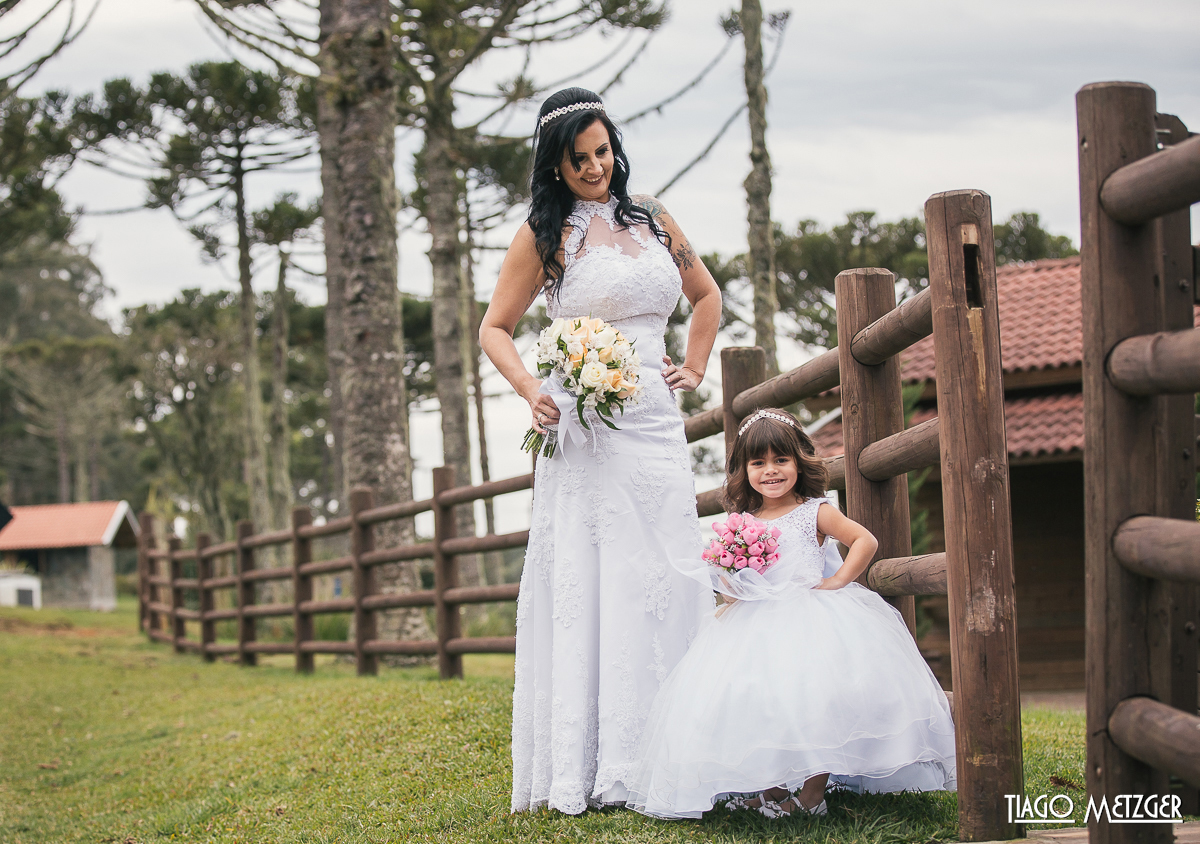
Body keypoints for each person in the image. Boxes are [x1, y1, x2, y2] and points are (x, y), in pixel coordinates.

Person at [478, 87, 722, 815]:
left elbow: (705, 296)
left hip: (653, 421)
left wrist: (696, 365)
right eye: (579, 158)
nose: (595, 168)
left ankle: (682, 745)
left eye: (603, 152)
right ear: (555, 165)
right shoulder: (543, 235)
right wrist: (531, 388)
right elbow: (494, 327)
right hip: (583, 427)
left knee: (666, 565)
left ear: (616, 146)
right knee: (601, 574)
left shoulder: (654, 218)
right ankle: (602, 761)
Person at [626, 408, 957, 820]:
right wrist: (732, 588)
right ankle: (772, 788)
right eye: (758, 462)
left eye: (781, 460)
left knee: (815, 700)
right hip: (755, 621)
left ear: (799, 462)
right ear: (743, 469)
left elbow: (864, 541)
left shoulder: (814, 510)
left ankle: (813, 793)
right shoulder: (742, 521)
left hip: (809, 618)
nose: (771, 471)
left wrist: (837, 582)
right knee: (757, 699)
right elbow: (734, 577)